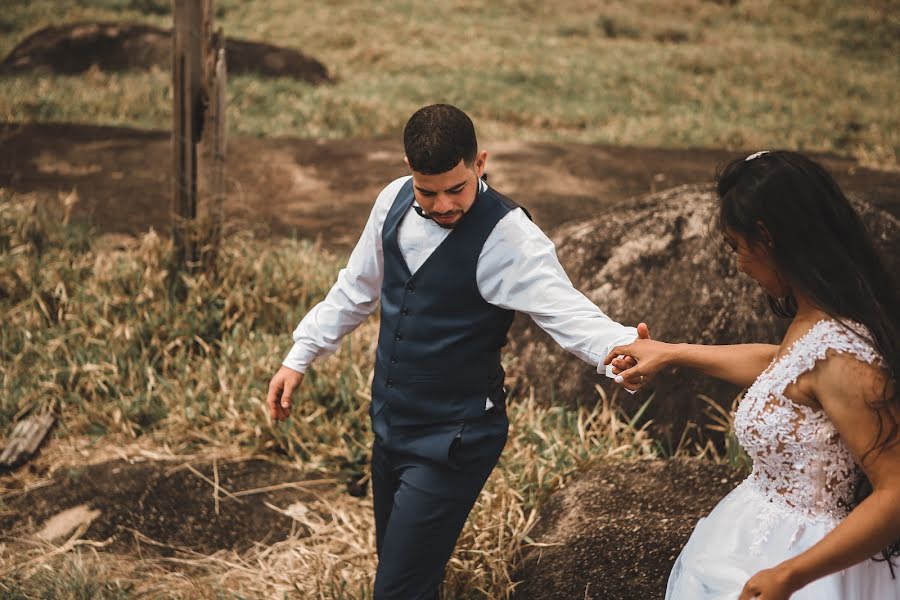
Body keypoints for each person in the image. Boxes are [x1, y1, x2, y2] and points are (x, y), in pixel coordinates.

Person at [267, 104, 641, 599]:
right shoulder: (392, 203)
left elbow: (565, 311)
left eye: (456, 189)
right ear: (408, 171)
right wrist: (300, 355)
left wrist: (626, 349)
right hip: (390, 425)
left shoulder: (509, 235)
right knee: (404, 573)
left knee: (399, 589)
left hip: (455, 437)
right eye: (428, 191)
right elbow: (355, 289)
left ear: (480, 163)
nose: (442, 204)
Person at [605, 150, 900, 599]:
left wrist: (791, 576)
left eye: (737, 247)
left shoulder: (846, 357)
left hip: (810, 568)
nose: (740, 264)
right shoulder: (820, 319)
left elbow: (896, 494)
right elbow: (784, 366)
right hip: (757, 538)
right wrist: (670, 352)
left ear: (766, 237)